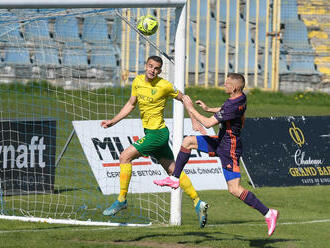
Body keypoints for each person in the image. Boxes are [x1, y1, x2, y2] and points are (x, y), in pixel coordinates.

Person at [153, 73, 279, 236]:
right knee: (188, 142)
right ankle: (175, 178)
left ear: (234, 87)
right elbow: (224, 110)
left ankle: (269, 213)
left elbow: (207, 123)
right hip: (220, 141)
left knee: (234, 189)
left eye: (226, 83)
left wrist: (190, 108)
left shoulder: (234, 104)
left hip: (229, 148)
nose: (224, 85)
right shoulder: (240, 98)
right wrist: (208, 109)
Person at [101, 55, 208, 228]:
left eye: (157, 68)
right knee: (174, 170)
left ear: (160, 70)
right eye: (150, 66)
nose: (153, 70)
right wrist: (113, 121)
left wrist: (195, 119)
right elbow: (131, 104)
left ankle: (121, 200)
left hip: (157, 135)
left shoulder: (164, 85)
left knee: (124, 157)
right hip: (153, 133)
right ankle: (198, 202)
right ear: (145, 65)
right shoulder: (137, 82)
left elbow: (184, 98)